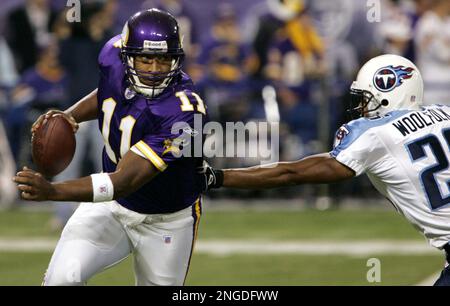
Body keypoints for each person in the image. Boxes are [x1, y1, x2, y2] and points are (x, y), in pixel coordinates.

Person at [201, 54, 450, 286]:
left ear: (387, 93)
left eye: (366, 99)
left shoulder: (376, 133)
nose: (363, 108)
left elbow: (292, 173)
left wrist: (219, 176)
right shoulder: (444, 113)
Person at [13, 9, 207, 286]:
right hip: (112, 207)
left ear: (176, 59)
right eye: (145, 58)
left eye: (163, 60)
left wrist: (53, 191)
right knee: (60, 280)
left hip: (166, 220)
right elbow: (108, 94)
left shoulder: (184, 110)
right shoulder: (112, 55)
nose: (153, 69)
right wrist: (70, 115)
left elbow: (124, 181)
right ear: (128, 56)